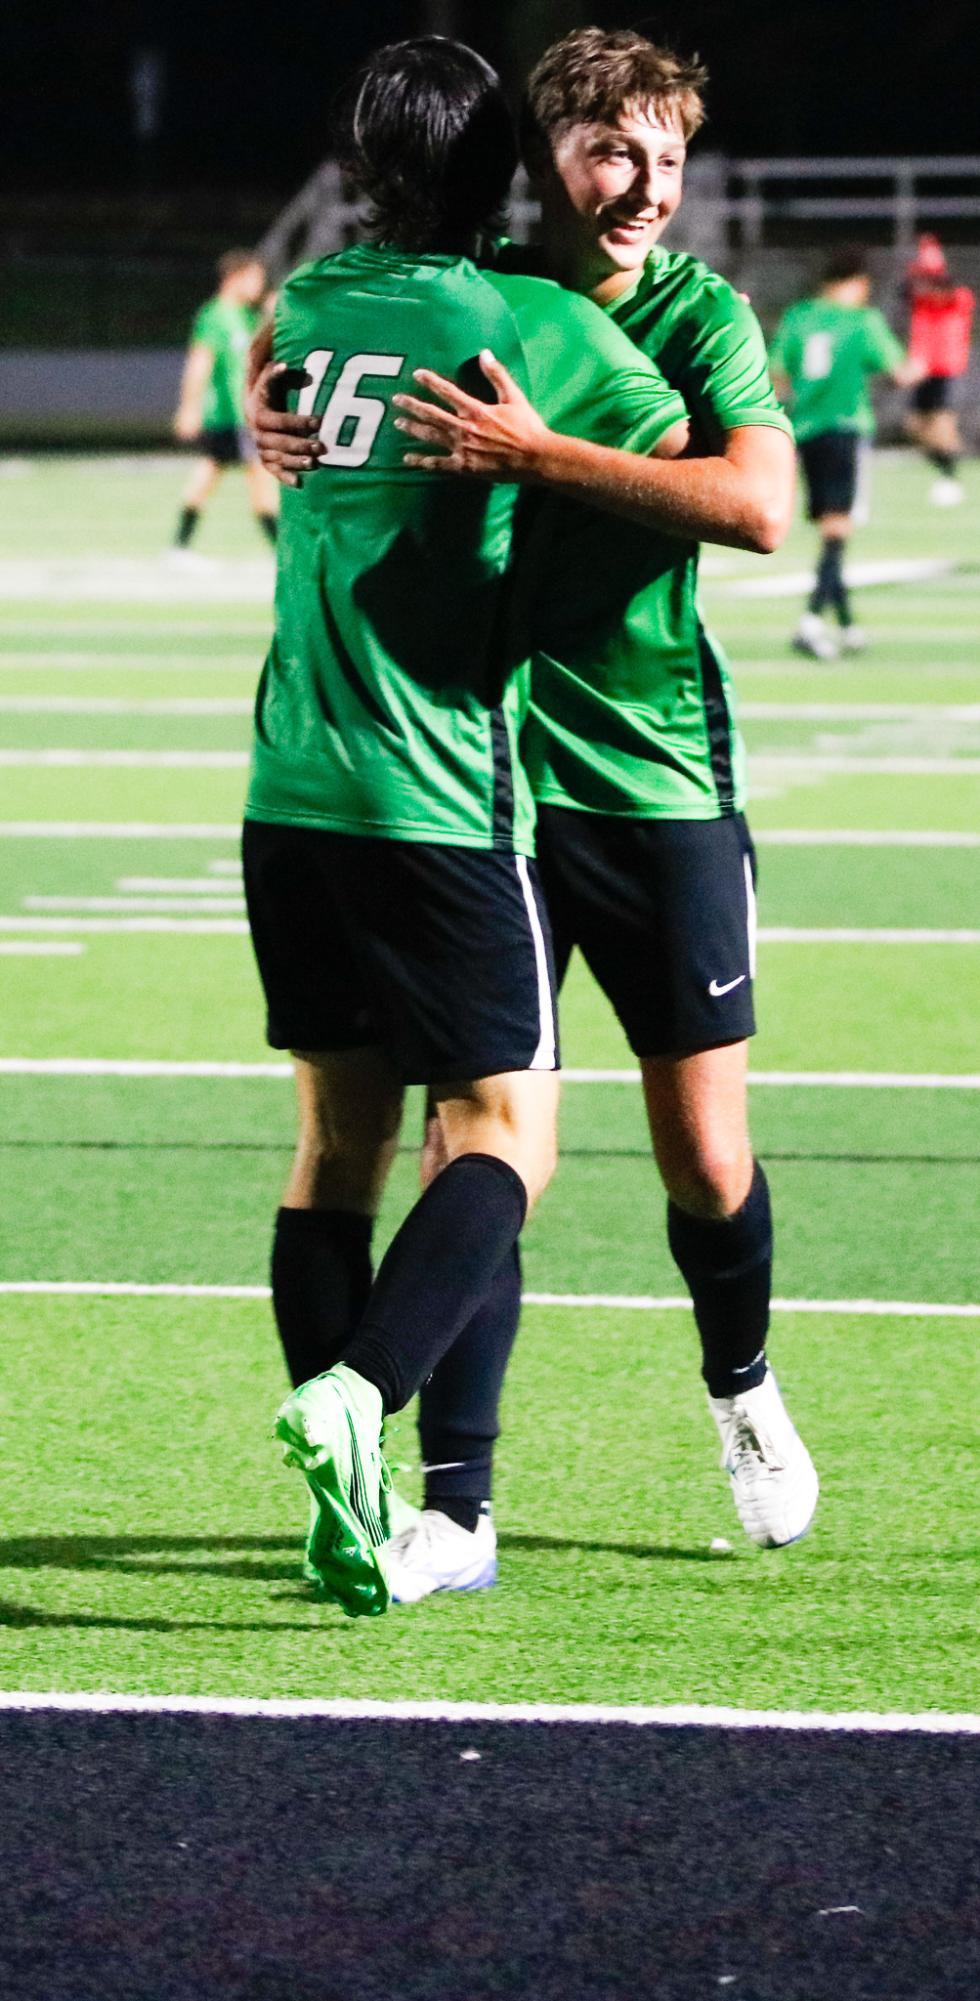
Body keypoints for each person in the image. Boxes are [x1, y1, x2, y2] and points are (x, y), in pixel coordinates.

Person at [252, 27, 819, 1603]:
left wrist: (538, 453)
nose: (643, 188)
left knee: (704, 1157)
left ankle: (742, 1383)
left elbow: (763, 504)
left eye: (667, 159)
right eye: (610, 154)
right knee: (475, 1141)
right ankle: (456, 1505)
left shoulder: (703, 318)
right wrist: (267, 409)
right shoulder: (487, 288)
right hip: (486, 782)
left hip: (656, 776)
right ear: (542, 158)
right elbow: (310, 365)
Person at [769, 247, 921, 659]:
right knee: (837, 534)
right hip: (846, 430)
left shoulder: (798, 316)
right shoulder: (862, 320)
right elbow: (899, 372)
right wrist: (922, 364)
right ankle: (811, 622)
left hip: (807, 433)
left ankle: (849, 626)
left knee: (831, 533)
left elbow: (777, 377)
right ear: (854, 283)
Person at [169, 249, 279, 560]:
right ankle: (284, 550)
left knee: (209, 472)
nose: (259, 285)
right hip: (232, 414)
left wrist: (275, 312)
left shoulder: (248, 316)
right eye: (254, 278)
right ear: (235, 278)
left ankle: (179, 546)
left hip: (243, 413)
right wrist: (189, 407)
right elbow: (199, 363)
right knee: (260, 477)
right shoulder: (215, 315)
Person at [903, 234, 974, 506]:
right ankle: (947, 472)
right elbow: (907, 289)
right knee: (916, 427)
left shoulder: (958, 298)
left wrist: (933, 269)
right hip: (923, 371)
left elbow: (947, 292)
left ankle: (950, 479)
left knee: (942, 426)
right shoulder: (921, 302)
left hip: (946, 370)